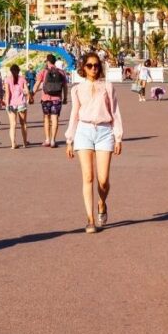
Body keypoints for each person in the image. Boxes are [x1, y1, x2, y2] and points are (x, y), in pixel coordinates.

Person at [65, 53, 123, 234]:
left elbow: (115, 112)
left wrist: (118, 136)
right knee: (88, 177)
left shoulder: (107, 86)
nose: (93, 68)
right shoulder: (77, 89)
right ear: (83, 68)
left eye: (96, 65)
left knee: (103, 180)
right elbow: (74, 114)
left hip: (105, 131)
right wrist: (69, 139)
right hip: (84, 131)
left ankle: (102, 203)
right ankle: (90, 219)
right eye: (89, 65)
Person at [35, 53, 68, 148]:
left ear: (48, 61)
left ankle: (47, 139)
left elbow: (37, 84)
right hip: (57, 99)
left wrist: (32, 94)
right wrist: (65, 97)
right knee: (55, 119)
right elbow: (65, 86)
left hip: (45, 98)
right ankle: (53, 140)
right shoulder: (61, 72)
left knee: (46, 118)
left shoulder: (43, 72)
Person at [4, 63, 30, 148]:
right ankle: (25, 142)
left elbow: (7, 93)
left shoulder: (7, 80)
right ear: (19, 71)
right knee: (23, 124)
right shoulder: (22, 79)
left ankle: (13, 144)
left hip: (11, 104)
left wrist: (7, 105)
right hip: (21, 103)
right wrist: (27, 98)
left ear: (11, 71)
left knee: (12, 124)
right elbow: (26, 91)